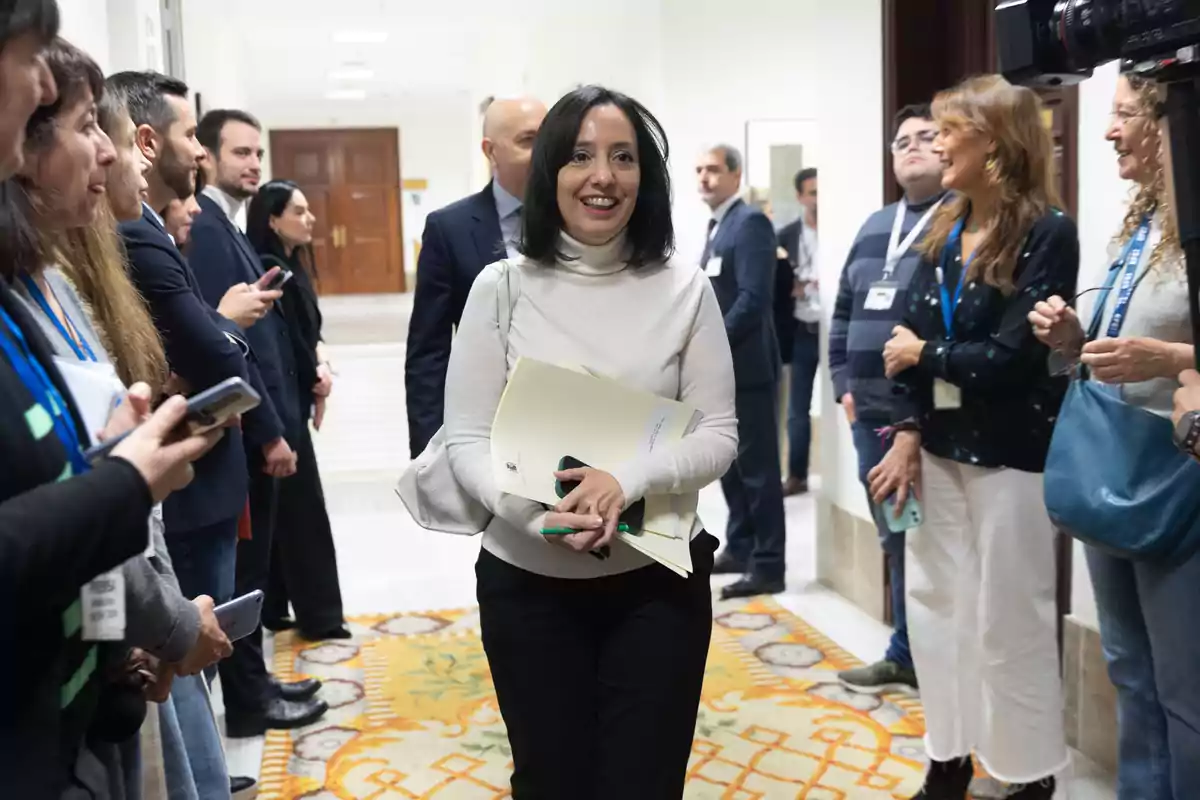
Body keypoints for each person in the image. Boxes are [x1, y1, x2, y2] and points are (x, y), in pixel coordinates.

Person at [444, 85, 737, 798]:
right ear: (549, 172)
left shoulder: (685, 288)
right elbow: (467, 440)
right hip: (527, 586)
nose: (602, 176)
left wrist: (625, 481)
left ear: (646, 175)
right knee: (551, 780)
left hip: (656, 588)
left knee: (645, 780)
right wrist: (532, 513)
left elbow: (720, 434)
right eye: (579, 156)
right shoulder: (500, 287)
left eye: (622, 157)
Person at [2, 37, 233, 798]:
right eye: (83, 127)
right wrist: (154, 623)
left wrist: (121, 633)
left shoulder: (48, 285)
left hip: (103, 649)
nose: (110, 152)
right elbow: (71, 495)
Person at [869, 75, 1077, 800]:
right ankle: (949, 756)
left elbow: (1015, 359)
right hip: (936, 451)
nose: (935, 143)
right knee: (934, 611)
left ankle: (1026, 772)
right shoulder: (943, 228)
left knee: (1008, 618)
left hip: (1012, 457)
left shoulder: (1048, 231)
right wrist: (904, 427)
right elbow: (900, 340)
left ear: (994, 142)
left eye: (948, 130)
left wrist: (928, 359)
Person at [1031, 72, 1200, 800]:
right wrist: (1074, 339)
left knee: (1186, 690)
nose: (1107, 131)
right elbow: (1117, 344)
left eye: (1126, 115)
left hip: (1177, 475)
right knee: (1130, 670)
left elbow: (1160, 350)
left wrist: (1167, 358)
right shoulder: (1139, 223)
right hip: (1116, 469)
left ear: (1173, 127)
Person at [93, 72, 234, 800]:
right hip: (113, 610)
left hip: (138, 588)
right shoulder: (110, 250)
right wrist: (162, 624)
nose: (128, 161)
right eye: (94, 134)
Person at [190, 108, 326, 738]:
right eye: (238, 152)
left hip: (267, 413)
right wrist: (271, 429)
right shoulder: (210, 229)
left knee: (255, 569)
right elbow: (231, 343)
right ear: (210, 157)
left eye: (257, 154)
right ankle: (248, 700)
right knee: (245, 574)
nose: (252, 164)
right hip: (248, 428)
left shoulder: (228, 222)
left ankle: (258, 683)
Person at [828, 104, 946, 695]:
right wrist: (842, 386)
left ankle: (934, 658)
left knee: (930, 539)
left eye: (927, 137)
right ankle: (905, 652)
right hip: (867, 413)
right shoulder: (877, 224)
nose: (913, 148)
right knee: (895, 534)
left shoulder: (961, 221)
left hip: (920, 419)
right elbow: (845, 309)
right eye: (902, 141)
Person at [405, 96, 546, 458]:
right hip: (485, 430)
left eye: (550, 139)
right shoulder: (449, 229)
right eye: (528, 141)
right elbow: (429, 352)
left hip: (570, 425)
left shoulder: (580, 220)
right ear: (490, 150)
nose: (544, 153)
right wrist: (429, 450)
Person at [247, 178, 349, 641]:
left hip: (296, 397)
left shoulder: (292, 266)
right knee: (302, 512)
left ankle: (275, 607)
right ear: (272, 219)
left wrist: (321, 366)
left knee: (286, 510)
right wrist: (314, 378)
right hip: (282, 405)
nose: (310, 219)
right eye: (299, 211)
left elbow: (309, 336)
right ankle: (321, 618)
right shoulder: (269, 270)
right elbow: (281, 347)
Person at [697, 143, 787, 600]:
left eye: (713, 170)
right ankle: (741, 546)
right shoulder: (718, 226)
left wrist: (709, 343)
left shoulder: (750, 222)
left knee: (757, 469)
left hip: (748, 366)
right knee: (731, 467)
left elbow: (753, 299)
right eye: (699, 171)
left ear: (735, 175)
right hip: (722, 370)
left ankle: (769, 564)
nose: (704, 178)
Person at [777, 166, 819, 496]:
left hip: (834, 328)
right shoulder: (786, 236)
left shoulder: (841, 229)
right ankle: (797, 475)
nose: (818, 199)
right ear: (800, 197)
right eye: (813, 192)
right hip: (801, 329)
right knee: (797, 409)